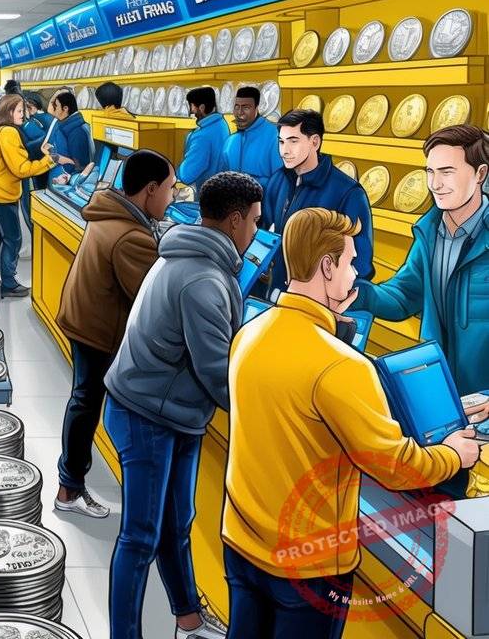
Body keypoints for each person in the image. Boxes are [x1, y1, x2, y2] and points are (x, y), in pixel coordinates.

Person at [223, 208, 479, 638]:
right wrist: (453, 454)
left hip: (242, 541)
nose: (356, 274)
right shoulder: (343, 366)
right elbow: (395, 467)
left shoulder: (250, 333)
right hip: (309, 564)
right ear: (327, 267)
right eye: (351, 262)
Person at [102, 171, 264, 639]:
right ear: (234, 221)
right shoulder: (203, 281)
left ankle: (188, 617)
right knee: (141, 537)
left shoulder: (189, 256)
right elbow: (215, 371)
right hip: (148, 415)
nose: (257, 232)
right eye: (255, 221)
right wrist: (266, 410)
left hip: (171, 411)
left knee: (176, 523)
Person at [55, 149, 173, 520]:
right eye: (170, 189)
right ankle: (70, 487)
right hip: (99, 330)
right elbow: (152, 299)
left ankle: (70, 483)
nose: (172, 197)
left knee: (83, 401)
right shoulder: (131, 237)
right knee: (87, 404)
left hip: (85, 320)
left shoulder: (110, 212)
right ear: (150, 189)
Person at [351, 124, 489, 397]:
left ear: (480, 174)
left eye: (447, 172)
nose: (435, 184)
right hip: (438, 389)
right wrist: (356, 292)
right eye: (430, 172)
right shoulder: (430, 232)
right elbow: (403, 295)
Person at [258, 109, 373, 297]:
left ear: (315, 142)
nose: (284, 151)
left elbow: (360, 264)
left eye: (293, 141)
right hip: (275, 295)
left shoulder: (349, 193)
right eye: (281, 142)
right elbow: (263, 232)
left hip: (317, 303)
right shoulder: (278, 180)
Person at [0, 94, 54, 298]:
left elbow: (15, 153)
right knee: (13, 239)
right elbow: (21, 169)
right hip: (3, 197)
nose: (24, 115)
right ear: (9, 112)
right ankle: (9, 283)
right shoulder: (9, 133)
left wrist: (37, 149)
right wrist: (50, 161)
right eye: (20, 111)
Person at [222, 86, 280, 188]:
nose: (239, 113)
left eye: (246, 107)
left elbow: (281, 183)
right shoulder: (230, 142)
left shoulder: (275, 136)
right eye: (237, 107)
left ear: (257, 108)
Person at [179, 87, 228, 193]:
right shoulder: (222, 124)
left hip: (206, 195)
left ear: (201, 107)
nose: (191, 111)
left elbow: (186, 174)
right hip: (221, 192)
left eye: (192, 106)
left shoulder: (202, 136)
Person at [47, 89, 90, 184]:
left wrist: (57, 158)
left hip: (70, 180)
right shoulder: (65, 127)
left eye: (56, 106)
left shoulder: (76, 132)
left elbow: (80, 166)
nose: (54, 110)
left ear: (65, 108)